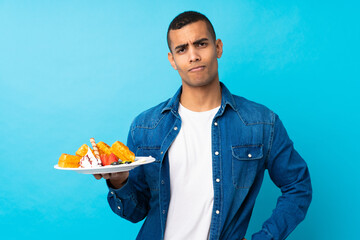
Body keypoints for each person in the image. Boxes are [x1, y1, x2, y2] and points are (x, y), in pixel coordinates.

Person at [94, 11, 312, 240]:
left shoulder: (261, 122)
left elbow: (298, 187)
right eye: (182, 49)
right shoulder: (145, 127)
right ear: (172, 60)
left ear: (218, 47)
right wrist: (118, 181)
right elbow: (135, 212)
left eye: (201, 44)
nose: (193, 56)